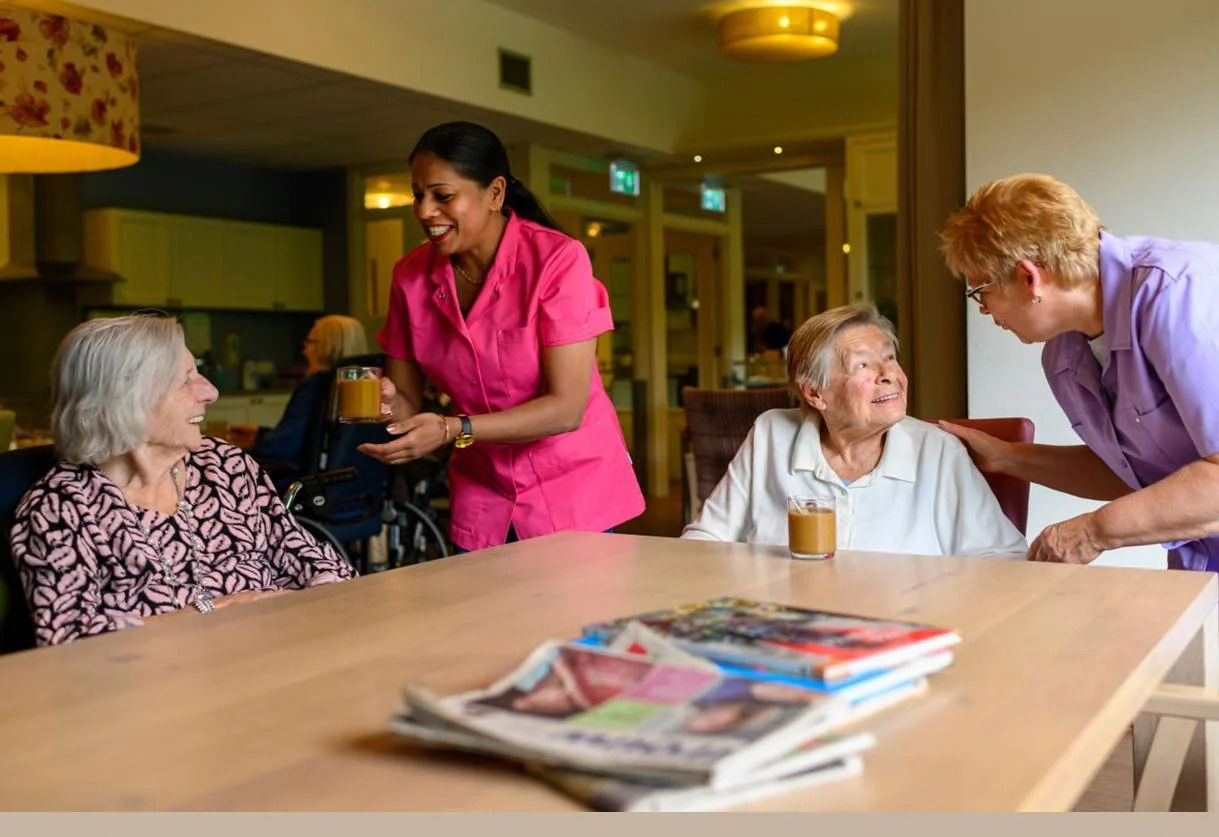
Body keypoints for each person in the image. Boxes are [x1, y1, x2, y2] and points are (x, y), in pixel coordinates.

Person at [359, 121, 644, 551]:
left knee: (569, 619)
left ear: (494, 193)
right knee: (490, 619)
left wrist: (454, 428)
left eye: (443, 195)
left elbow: (567, 409)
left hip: (572, 489)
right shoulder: (409, 276)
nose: (423, 211)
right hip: (482, 493)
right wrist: (386, 403)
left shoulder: (558, 261)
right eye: (418, 195)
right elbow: (406, 402)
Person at [8, 315, 355, 647]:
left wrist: (310, 605)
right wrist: (210, 614)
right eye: (187, 379)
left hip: (276, 658)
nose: (211, 393)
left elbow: (316, 561)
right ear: (126, 400)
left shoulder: (224, 465)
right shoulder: (60, 509)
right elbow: (67, 642)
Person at [939, 173, 1219, 571]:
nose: (982, 309)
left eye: (979, 290)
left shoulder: (1177, 296)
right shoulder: (1063, 356)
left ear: (1028, 277)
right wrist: (1007, 458)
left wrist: (1092, 531)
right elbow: (1138, 473)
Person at [682, 304, 1026, 557]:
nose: (888, 373)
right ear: (815, 393)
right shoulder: (771, 435)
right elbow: (704, 541)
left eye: (890, 358)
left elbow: (1002, 558)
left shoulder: (936, 452)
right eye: (862, 364)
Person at [228, 315, 369, 481]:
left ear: (327, 347)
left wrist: (236, 449)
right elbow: (324, 440)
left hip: (306, 489)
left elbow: (282, 448)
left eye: (310, 342)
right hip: (354, 491)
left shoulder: (316, 388)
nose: (304, 350)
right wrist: (260, 433)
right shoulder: (367, 388)